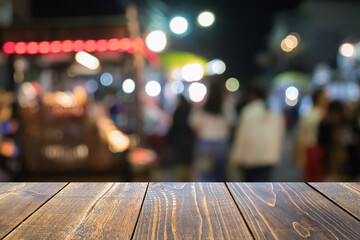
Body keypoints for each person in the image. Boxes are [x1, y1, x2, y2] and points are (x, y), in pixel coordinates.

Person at [230, 87, 285, 182]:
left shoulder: (248, 111)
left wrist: (237, 157)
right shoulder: (274, 112)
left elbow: (242, 137)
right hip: (269, 157)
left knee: (250, 189)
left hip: (250, 158)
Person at [189, 79, 234, 181]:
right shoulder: (227, 106)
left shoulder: (200, 106)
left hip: (205, 144)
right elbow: (231, 126)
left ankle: (205, 197)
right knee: (220, 177)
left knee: (204, 177)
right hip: (222, 144)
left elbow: (194, 127)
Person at [296, 89, 328, 181]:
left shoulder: (314, 113)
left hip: (317, 148)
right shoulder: (315, 114)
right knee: (314, 178)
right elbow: (303, 135)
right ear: (319, 99)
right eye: (325, 97)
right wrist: (301, 154)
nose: (327, 99)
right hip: (313, 148)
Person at [167, 95, 194, 181]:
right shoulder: (190, 110)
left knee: (181, 162)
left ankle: (183, 181)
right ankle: (188, 180)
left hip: (179, 140)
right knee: (188, 162)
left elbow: (174, 127)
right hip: (189, 140)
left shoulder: (177, 111)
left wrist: (169, 141)